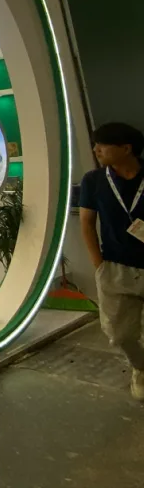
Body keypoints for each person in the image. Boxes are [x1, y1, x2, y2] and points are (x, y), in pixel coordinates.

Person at [80, 121, 144, 401]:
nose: (96, 150)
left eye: (102, 145)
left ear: (126, 148)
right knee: (119, 333)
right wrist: (99, 265)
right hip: (115, 268)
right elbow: (86, 222)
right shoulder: (93, 180)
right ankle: (141, 367)